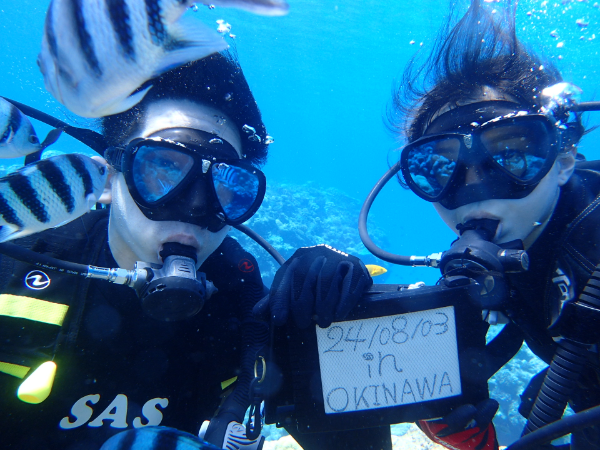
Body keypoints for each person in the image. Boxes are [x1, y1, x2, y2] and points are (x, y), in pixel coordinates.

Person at [255, 1, 600, 449]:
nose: (475, 188)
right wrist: (452, 421)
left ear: (564, 160)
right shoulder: (505, 258)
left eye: (510, 154)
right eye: (440, 168)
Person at [0, 52, 271, 450]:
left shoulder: (242, 300)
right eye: (162, 169)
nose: (196, 209)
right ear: (109, 177)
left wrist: (330, 306)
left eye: (227, 185)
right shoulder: (16, 265)